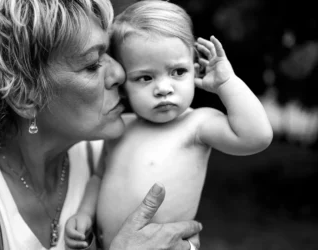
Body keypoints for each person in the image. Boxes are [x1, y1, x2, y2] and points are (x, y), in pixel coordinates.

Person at [0, 0, 203, 249]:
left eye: (110, 54)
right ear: (25, 97)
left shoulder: (108, 156)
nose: (118, 72)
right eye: (92, 64)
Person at [64, 1, 273, 249]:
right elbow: (99, 177)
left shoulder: (196, 125)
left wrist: (226, 83)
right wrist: (85, 214)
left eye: (177, 71)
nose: (164, 88)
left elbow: (257, 137)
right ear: (124, 84)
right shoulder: (120, 128)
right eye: (145, 77)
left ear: (195, 68)